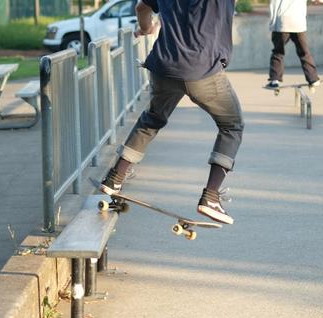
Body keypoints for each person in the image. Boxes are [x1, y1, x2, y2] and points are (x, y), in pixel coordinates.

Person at [99, 0, 244, 225]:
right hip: (202, 70)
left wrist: (146, 29)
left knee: (153, 118)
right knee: (232, 125)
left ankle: (115, 177)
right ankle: (211, 198)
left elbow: (141, 8)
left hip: (163, 66)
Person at [265, 0, 323, 90]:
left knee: (278, 52)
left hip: (281, 22)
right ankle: (313, 79)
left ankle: (274, 80)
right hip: (298, 22)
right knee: (304, 52)